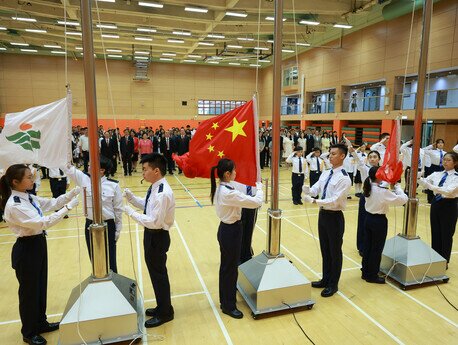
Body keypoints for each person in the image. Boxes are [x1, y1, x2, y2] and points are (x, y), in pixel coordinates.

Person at [0, 164, 79, 345]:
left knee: (40, 286)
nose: (33, 178)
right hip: (27, 249)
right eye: (29, 177)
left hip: (37, 244)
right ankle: (29, 331)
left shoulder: (27, 196)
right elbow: (42, 222)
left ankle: (40, 322)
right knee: (29, 292)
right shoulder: (15, 205)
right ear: (15, 182)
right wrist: (68, 207)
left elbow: (50, 204)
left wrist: (72, 193)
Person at [124, 153, 175, 327]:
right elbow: (148, 207)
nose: (142, 173)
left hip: (157, 236)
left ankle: (165, 312)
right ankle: (163, 305)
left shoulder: (162, 193)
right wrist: (132, 199)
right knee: (156, 274)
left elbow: (154, 221)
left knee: (158, 275)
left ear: (156, 170)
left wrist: (130, 212)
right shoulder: (155, 186)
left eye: (145, 169)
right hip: (152, 235)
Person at [210, 158, 263, 318]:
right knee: (230, 268)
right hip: (230, 231)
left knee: (227, 267)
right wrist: (259, 187)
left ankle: (225, 300)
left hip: (227, 229)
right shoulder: (228, 192)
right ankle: (228, 305)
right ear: (227, 173)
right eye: (233, 170)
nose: (236, 173)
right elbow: (256, 202)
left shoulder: (225, 187)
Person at [302, 144, 352, 297]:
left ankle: (333, 284)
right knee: (325, 249)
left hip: (334, 217)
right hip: (323, 215)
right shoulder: (326, 173)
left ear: (342, 156)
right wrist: (306, 189)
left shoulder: (344, 178)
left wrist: (314, 202)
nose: (330, 156)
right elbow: (315, 189)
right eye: (330, 154)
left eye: (333, 154)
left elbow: (335, 200)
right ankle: (325, 278)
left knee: (334, 251)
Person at [63, 157, 122, 273]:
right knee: (94, 258)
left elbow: (118, 209)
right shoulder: (84, 179)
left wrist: (118, 229)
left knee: (110, 258)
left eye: (92, 165)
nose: (88, 167)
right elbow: (68, 169)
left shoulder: (113, 185)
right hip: (90, 224)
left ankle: (113, 285)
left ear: (102, 170)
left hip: (108, 225)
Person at [362, 167, 408, 283]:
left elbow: (383, 187)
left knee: (368, 246)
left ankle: (366, 272)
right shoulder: (382, 191)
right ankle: (372, 275)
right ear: (378, 176)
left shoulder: (369, 185)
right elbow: (403, 200)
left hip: (368, 218)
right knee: (376, 248)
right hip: (378, 221)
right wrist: (398, 187)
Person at [419, 152, 458, 266]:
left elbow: (447, 191)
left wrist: (430, 186)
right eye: (444, 159)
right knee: (435, 232)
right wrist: (419, 177)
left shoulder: (456, 177)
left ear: (455, 163)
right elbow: (424, 182)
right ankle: (435, 257)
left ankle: (444, 260)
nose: (445, 162)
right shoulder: (437, 174)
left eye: (448, 160)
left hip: (449, 205)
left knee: (446, 234)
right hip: (436, 203)